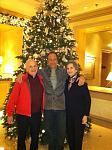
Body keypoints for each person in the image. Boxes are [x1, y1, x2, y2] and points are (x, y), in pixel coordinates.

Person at [17, 52, 85, 150]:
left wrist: (82, 76)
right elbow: (30, 71)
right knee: (51, 133)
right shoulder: (41, 72)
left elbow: (74, 74)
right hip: (48, 108)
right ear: (47, 61)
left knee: (61, 134)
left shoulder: (63, 71)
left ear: (57, 60)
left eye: (54, 59)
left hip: (61, 108)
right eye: (50, 59)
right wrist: (21, 74)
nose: (52, 61)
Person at [6, 59, 45, 150]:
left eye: (34, 66)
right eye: (30, 66)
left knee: (35, 138)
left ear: (37, 67)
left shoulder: (41, 80)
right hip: (22, 114)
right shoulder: (21, 80)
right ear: (26, 69)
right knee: (21, 138)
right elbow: (13, 97)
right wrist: (10, 113)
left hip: (36, 114)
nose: (33, 68)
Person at [64, 61, 91, 150]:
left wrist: (85, 115)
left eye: (71, 68)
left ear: (76, 69)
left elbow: (87, 100)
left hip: (79, 116)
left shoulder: (81, 83)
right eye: (68, 68)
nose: (69, 70)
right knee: (70, 138)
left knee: (78, 139)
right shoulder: (65, 82)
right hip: (68, 115)